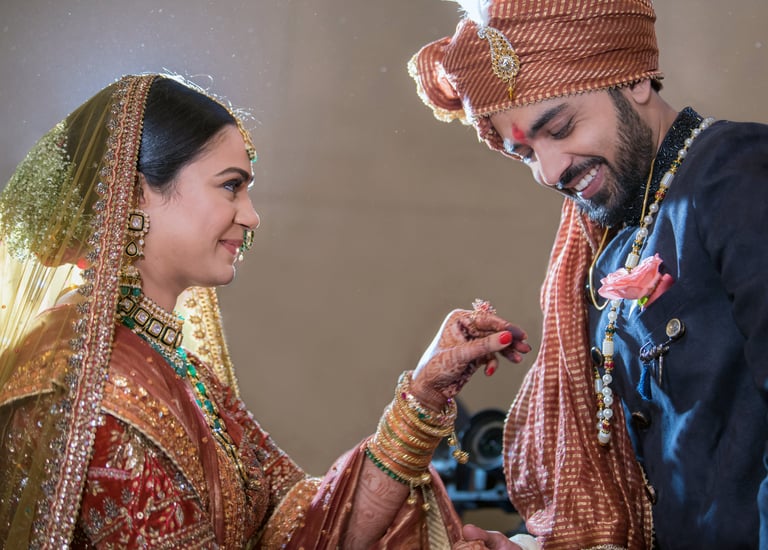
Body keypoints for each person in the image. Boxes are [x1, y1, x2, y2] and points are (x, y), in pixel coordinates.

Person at [0, 73, 532, 549]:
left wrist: (424, 391)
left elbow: (303, 525)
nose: (251, 217)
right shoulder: (89, 384)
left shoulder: (171, 364)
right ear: (134, 194)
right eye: (231, 186)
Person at [408, 0, 768, 549]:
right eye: (524, 153)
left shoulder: (737, 174)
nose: (550, 171)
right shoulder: (617, 237)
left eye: (560, 127)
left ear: (636, 81)